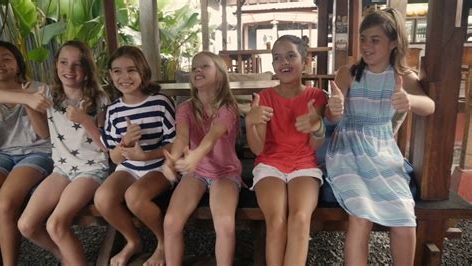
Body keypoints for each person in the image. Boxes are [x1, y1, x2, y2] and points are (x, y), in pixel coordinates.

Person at [325, 8, 435, 265]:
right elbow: (332, 117)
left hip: (383, 149)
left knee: (405, 217)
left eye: (375, 40)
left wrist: (410, 100)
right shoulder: (348, 73)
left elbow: (429, 106)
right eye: (363, 39)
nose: (366, 46)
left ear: (393, 42)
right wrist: (335, 109)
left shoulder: (402, 77)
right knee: (360, 215)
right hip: (347, 148)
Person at [17, 40, 109, 265]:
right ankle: (64, 254)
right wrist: (28, 104)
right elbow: (44, 134)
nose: (69, 69)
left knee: (55, 224)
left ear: (87, 69)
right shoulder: (47, 94)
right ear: (56, 65)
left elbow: (106, 145)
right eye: (64, 62)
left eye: (78, 64)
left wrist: (85, 119)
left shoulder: (99, 98)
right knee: (26, 225)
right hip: (61, 168)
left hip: (92, 168)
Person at [245, 35, 327, 266]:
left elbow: (314, 145)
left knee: (300, 219)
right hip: (270, 164)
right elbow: (257, 148)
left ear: (305, 60)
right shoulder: (265, 97)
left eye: (291, 55)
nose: (284, 62)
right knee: (276, 220)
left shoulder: (316, 96)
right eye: (277, 58)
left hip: (304, 164)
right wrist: (251, 122)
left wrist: (318, 126)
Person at [94, 45, 176, 266]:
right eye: (117, 71)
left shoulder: (160, 103)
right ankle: (132, 241)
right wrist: (125, 144)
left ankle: (163, 243)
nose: (125, 77)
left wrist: (145, 155)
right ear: (110, 75)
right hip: (128, 168)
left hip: (159, 167)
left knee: (135, 197)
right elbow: (114, 158)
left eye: (131, 70)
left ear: (143, 71)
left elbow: (175, 145)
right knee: (102, 198)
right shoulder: (113, 111)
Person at [162, 51, 241, 266]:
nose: (197, 70)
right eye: (194, 67)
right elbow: (182, 138)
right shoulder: (185, 108)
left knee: (224, 224)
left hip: (225, 173)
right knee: (170, 222)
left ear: (220, 75)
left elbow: (212, 137)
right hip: (196, 172)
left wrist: (195, 155)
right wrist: (172, 160)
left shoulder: (228, 108)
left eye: (204, 66)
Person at [0, 41, 53, 266]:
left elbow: (44, 134)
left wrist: (30, 101)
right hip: (2, 154)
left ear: (18, 65)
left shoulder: (39, 88)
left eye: (6, 58)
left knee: (4, 203)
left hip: (36, 153)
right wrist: (24, 98)